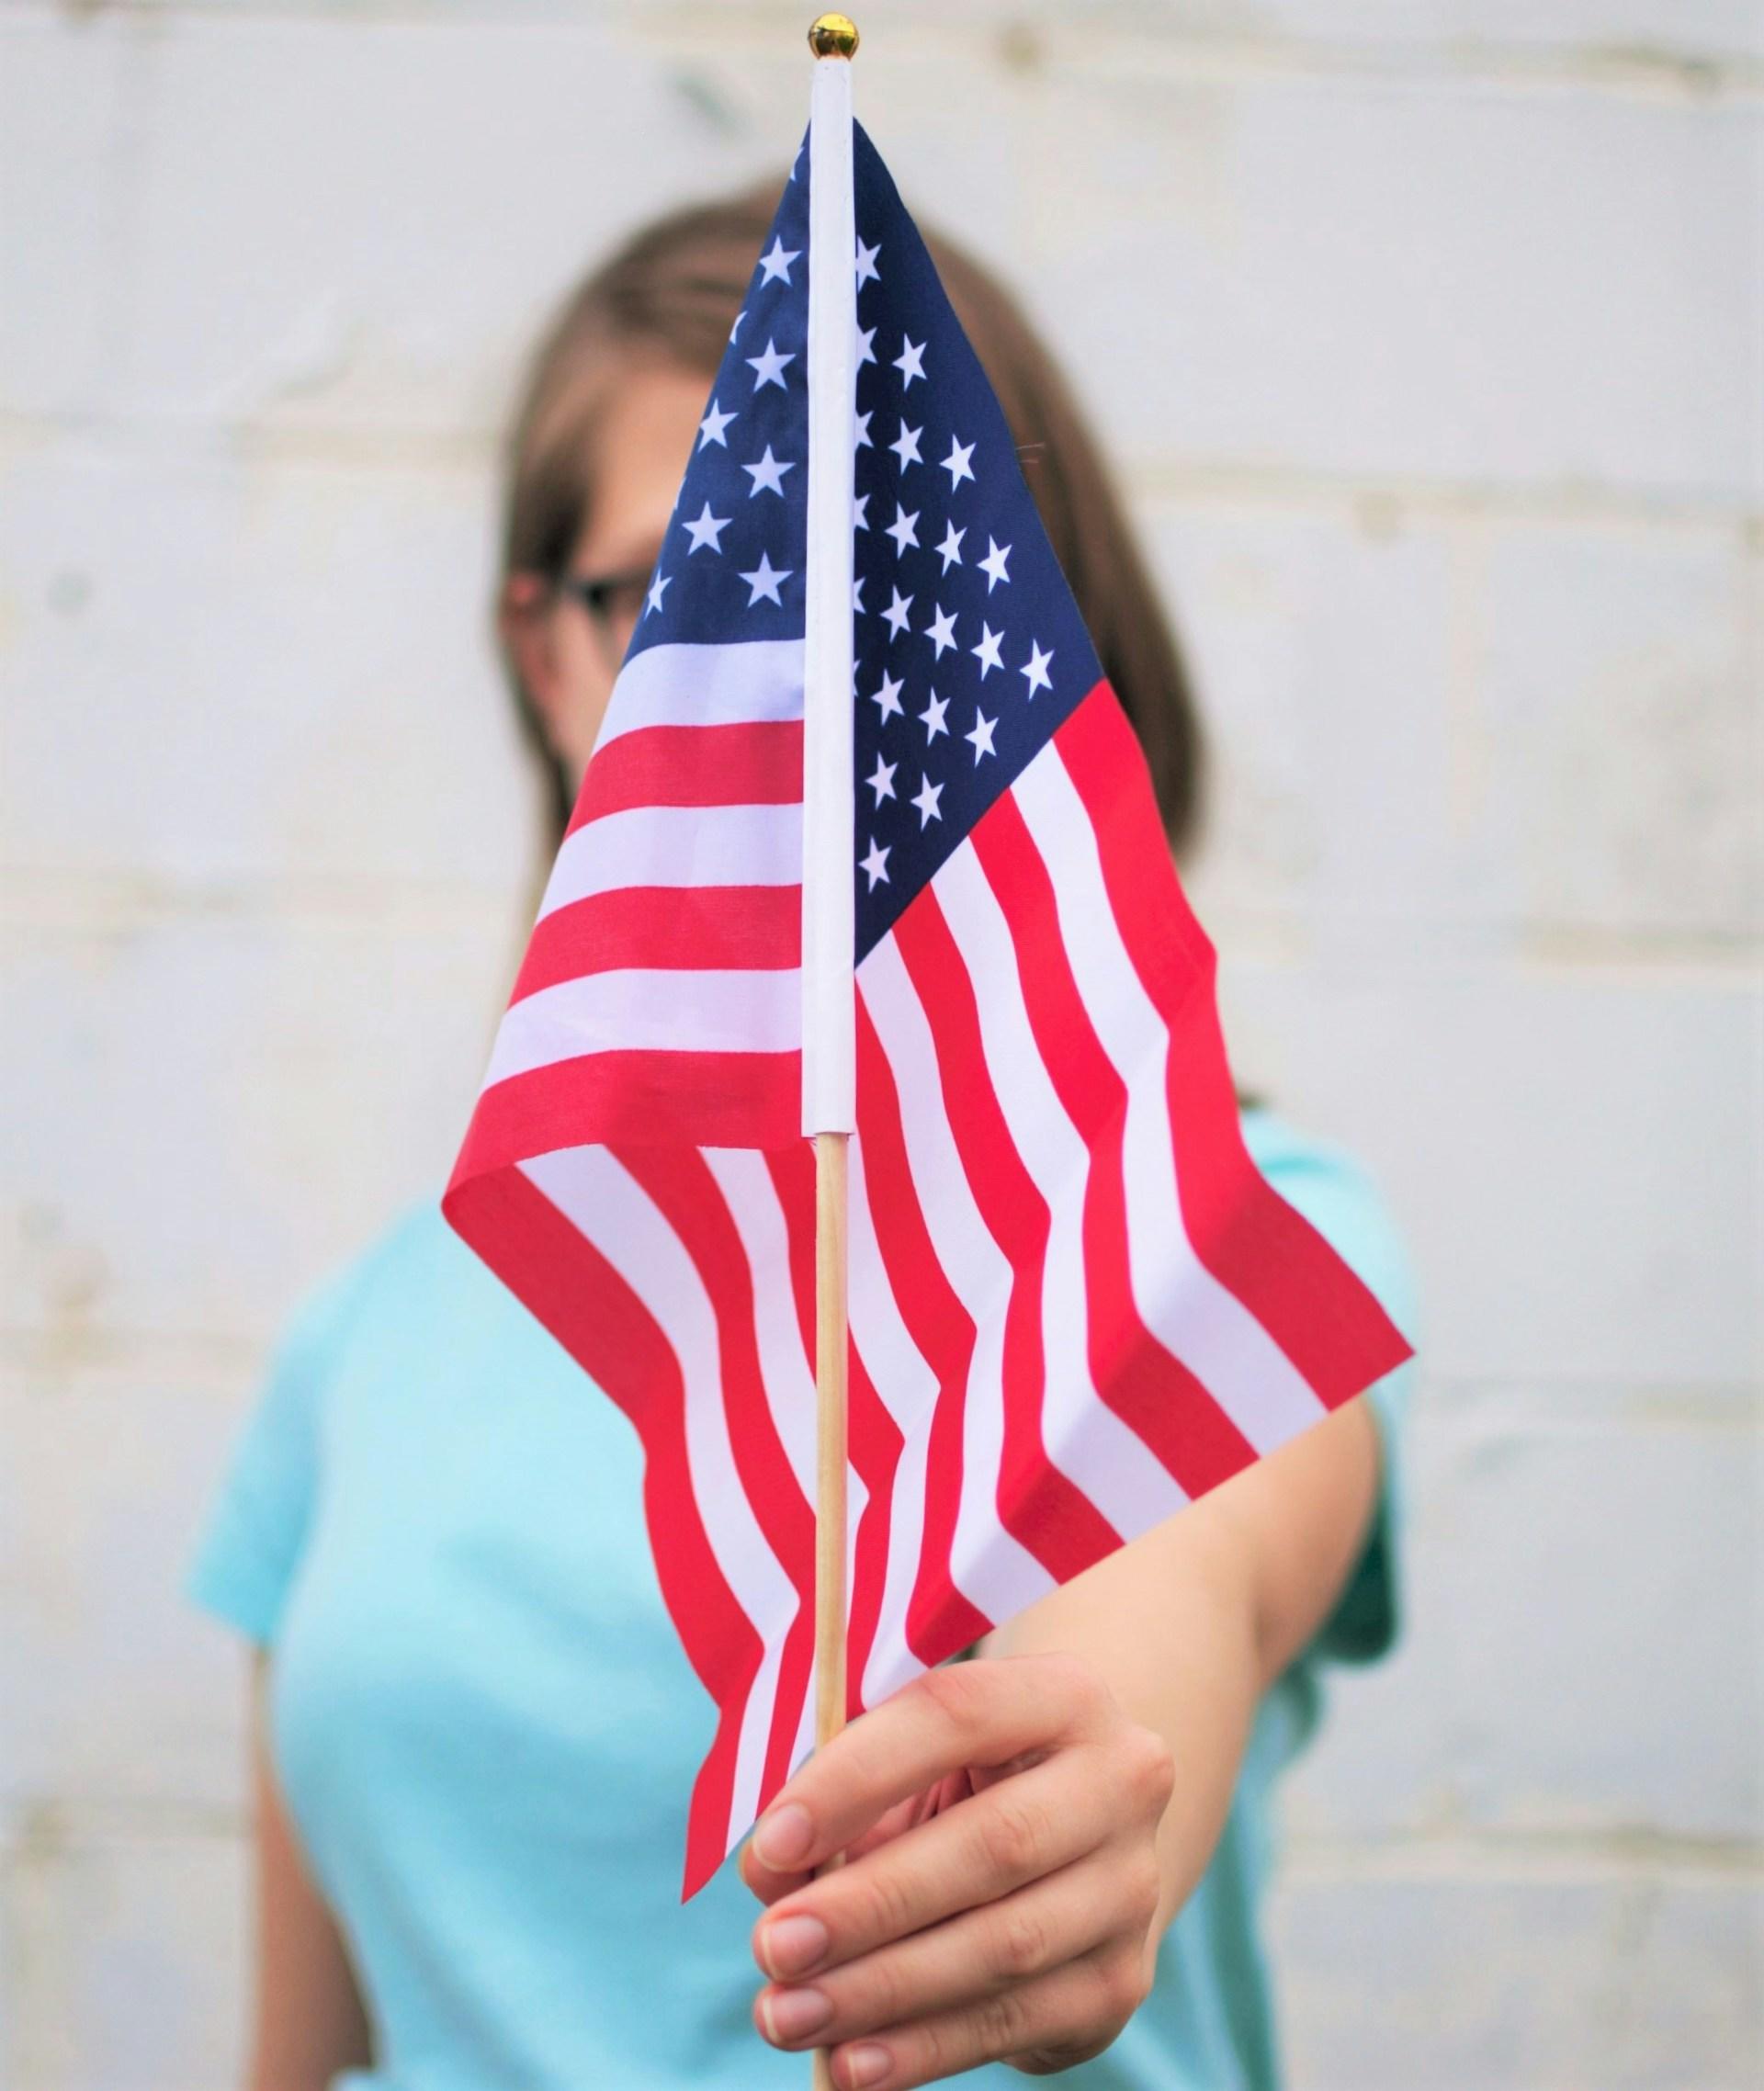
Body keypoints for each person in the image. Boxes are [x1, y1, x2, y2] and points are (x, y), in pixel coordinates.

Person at [184, 170, 1419, 2091]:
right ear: (553, 657)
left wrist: (1083, 1819)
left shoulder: (1217, 1240)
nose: (795, 699)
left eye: (877, 606)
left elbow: (1155, 1612)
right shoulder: (364, 1342)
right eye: (686, 596)